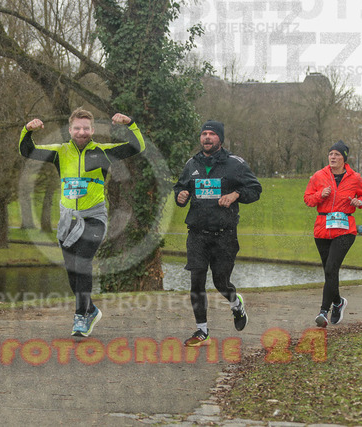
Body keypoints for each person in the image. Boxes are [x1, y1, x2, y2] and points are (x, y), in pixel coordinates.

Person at [19, 108, 145, 337]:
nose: (81, 132)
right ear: (70, 130)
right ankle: (91, 310)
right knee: (72, 272)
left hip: (94, 218)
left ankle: (80, 316)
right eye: (77, 128)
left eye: (86, 128)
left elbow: (137, 147)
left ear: (93, 130)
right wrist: (27, 130)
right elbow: (28, 151)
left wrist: (130, 123)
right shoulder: (60, 152)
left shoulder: (102, 152)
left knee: (83, 262)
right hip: (68, 220)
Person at [173, 120, 262, 347]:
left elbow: (255, 189)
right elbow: (181, 188)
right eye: (204, 134)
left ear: (220, 139)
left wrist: (235, 195)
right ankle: (202, 331)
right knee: (196, 280)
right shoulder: (192, 164)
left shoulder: (235, 164)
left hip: (224, 234)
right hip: (197, 234)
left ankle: (236, 304)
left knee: (221, 281)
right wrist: (180, 196)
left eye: (212, 134)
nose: (207, 137)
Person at [304, 140, 362, 328]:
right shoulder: (318, 176)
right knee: (329, 271)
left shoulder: (354, 178)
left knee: (331, 268)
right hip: (322, 229)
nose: (333, 157)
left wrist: (359, 202)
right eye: (331, 154)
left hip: (345, 230)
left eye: (337, 154)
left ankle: (323, 312)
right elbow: (308, 199)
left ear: (344, 158)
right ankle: (338, 302)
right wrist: (320, 195)